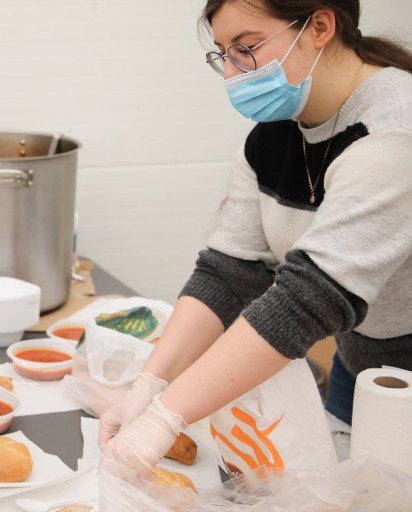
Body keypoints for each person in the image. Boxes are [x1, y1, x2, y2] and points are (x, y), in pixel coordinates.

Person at [99, 0, 412, 474]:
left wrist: (167, 415)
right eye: (222, 54)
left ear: (320, 27)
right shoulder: (274, 133)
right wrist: (149, 384)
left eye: (245, 48)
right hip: (361, 366)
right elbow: (227, 272)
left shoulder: (393, 133)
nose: (232, 72)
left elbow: (310, 297)